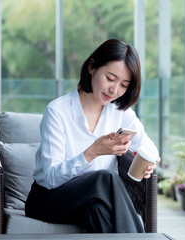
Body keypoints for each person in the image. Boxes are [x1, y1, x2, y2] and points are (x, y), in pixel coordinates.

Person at [25, 39, 159, 233]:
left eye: (123, 85)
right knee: (106, 178)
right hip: (49, 199)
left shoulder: (119, 112)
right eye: (110, 78)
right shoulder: (57, 111)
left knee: (98, 212)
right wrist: (93, 152)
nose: (114, 90)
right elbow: (51, 178)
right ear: (92, 67)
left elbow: (150, 148)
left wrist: (148, 161)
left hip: (95, 199)